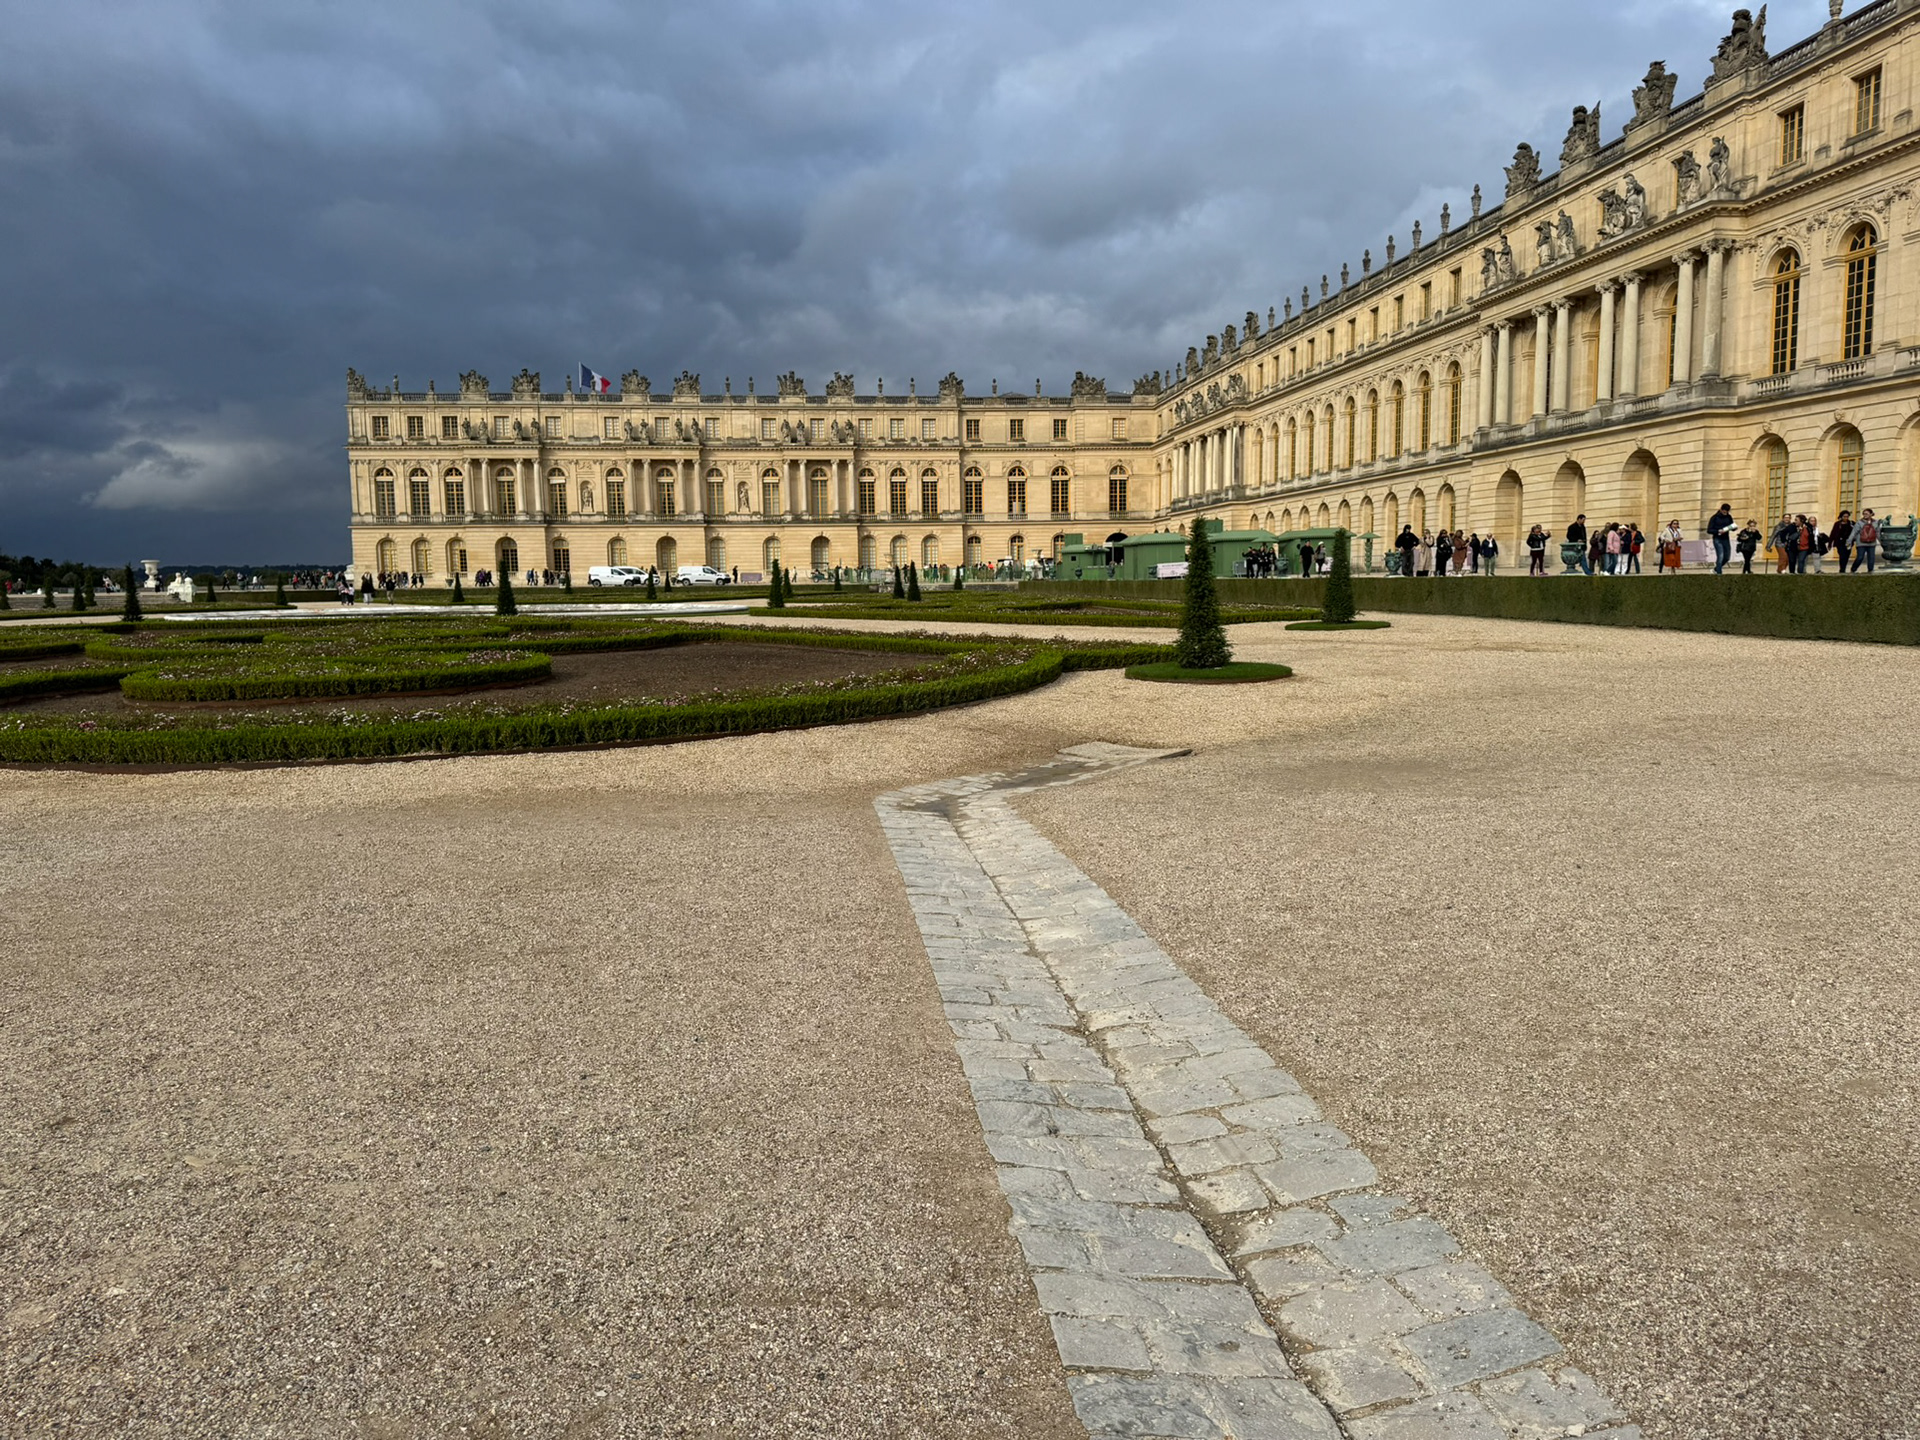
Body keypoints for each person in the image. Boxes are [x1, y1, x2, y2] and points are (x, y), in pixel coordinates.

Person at [1707, 503, 1735, 574]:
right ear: (1721, 510)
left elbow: (1732, 526)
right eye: (1724, 512)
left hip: (1726, 538)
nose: (1725, 513)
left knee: (1727, 557)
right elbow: (1709, 530)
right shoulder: (1714, 517)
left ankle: (1716, 569)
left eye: (1726, 512)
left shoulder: (1729, 517)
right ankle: (1719, 573)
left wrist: (1733, 528)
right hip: (1717, 538)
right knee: (1720, 556)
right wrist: (1717, 531)